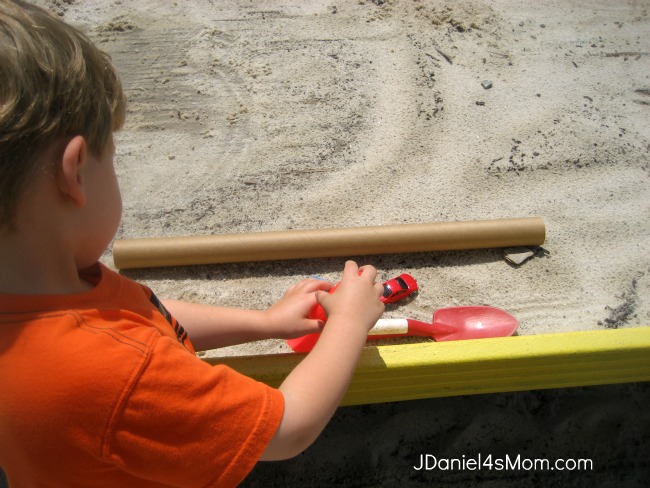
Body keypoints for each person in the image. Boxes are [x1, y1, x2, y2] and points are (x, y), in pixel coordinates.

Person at [0, 1, 385, 486]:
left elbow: (145, 313)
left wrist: (264, 323)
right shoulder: (113, 375)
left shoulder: (40, 286)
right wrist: (348, 323)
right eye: (112, 161)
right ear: (75, 172)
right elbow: (286, 428)